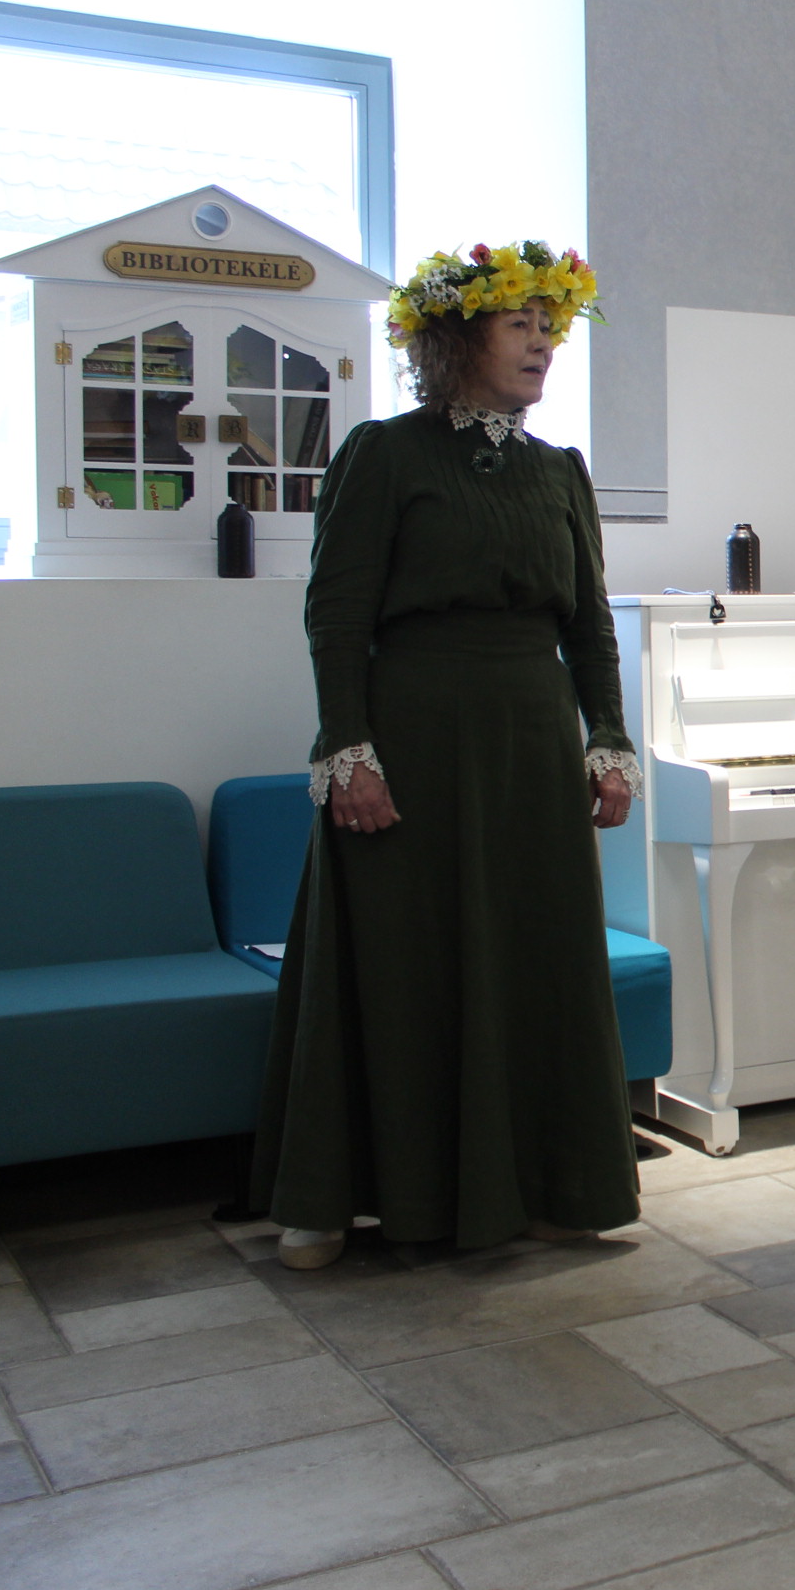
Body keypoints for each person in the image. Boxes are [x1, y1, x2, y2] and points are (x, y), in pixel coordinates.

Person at [252, 242, 642, 1270]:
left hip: (530, 744)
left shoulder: (559, 470)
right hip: (413, 739)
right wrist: (348, 747)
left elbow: (590, 624)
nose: (543, 346)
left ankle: (549, 1188)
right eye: (521, 325)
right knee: (396, 962)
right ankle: (332, 1198)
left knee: (537, 962)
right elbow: (337, 614)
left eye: (551, 328)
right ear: (458, 339)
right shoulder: (384, 453)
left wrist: (608, 738)